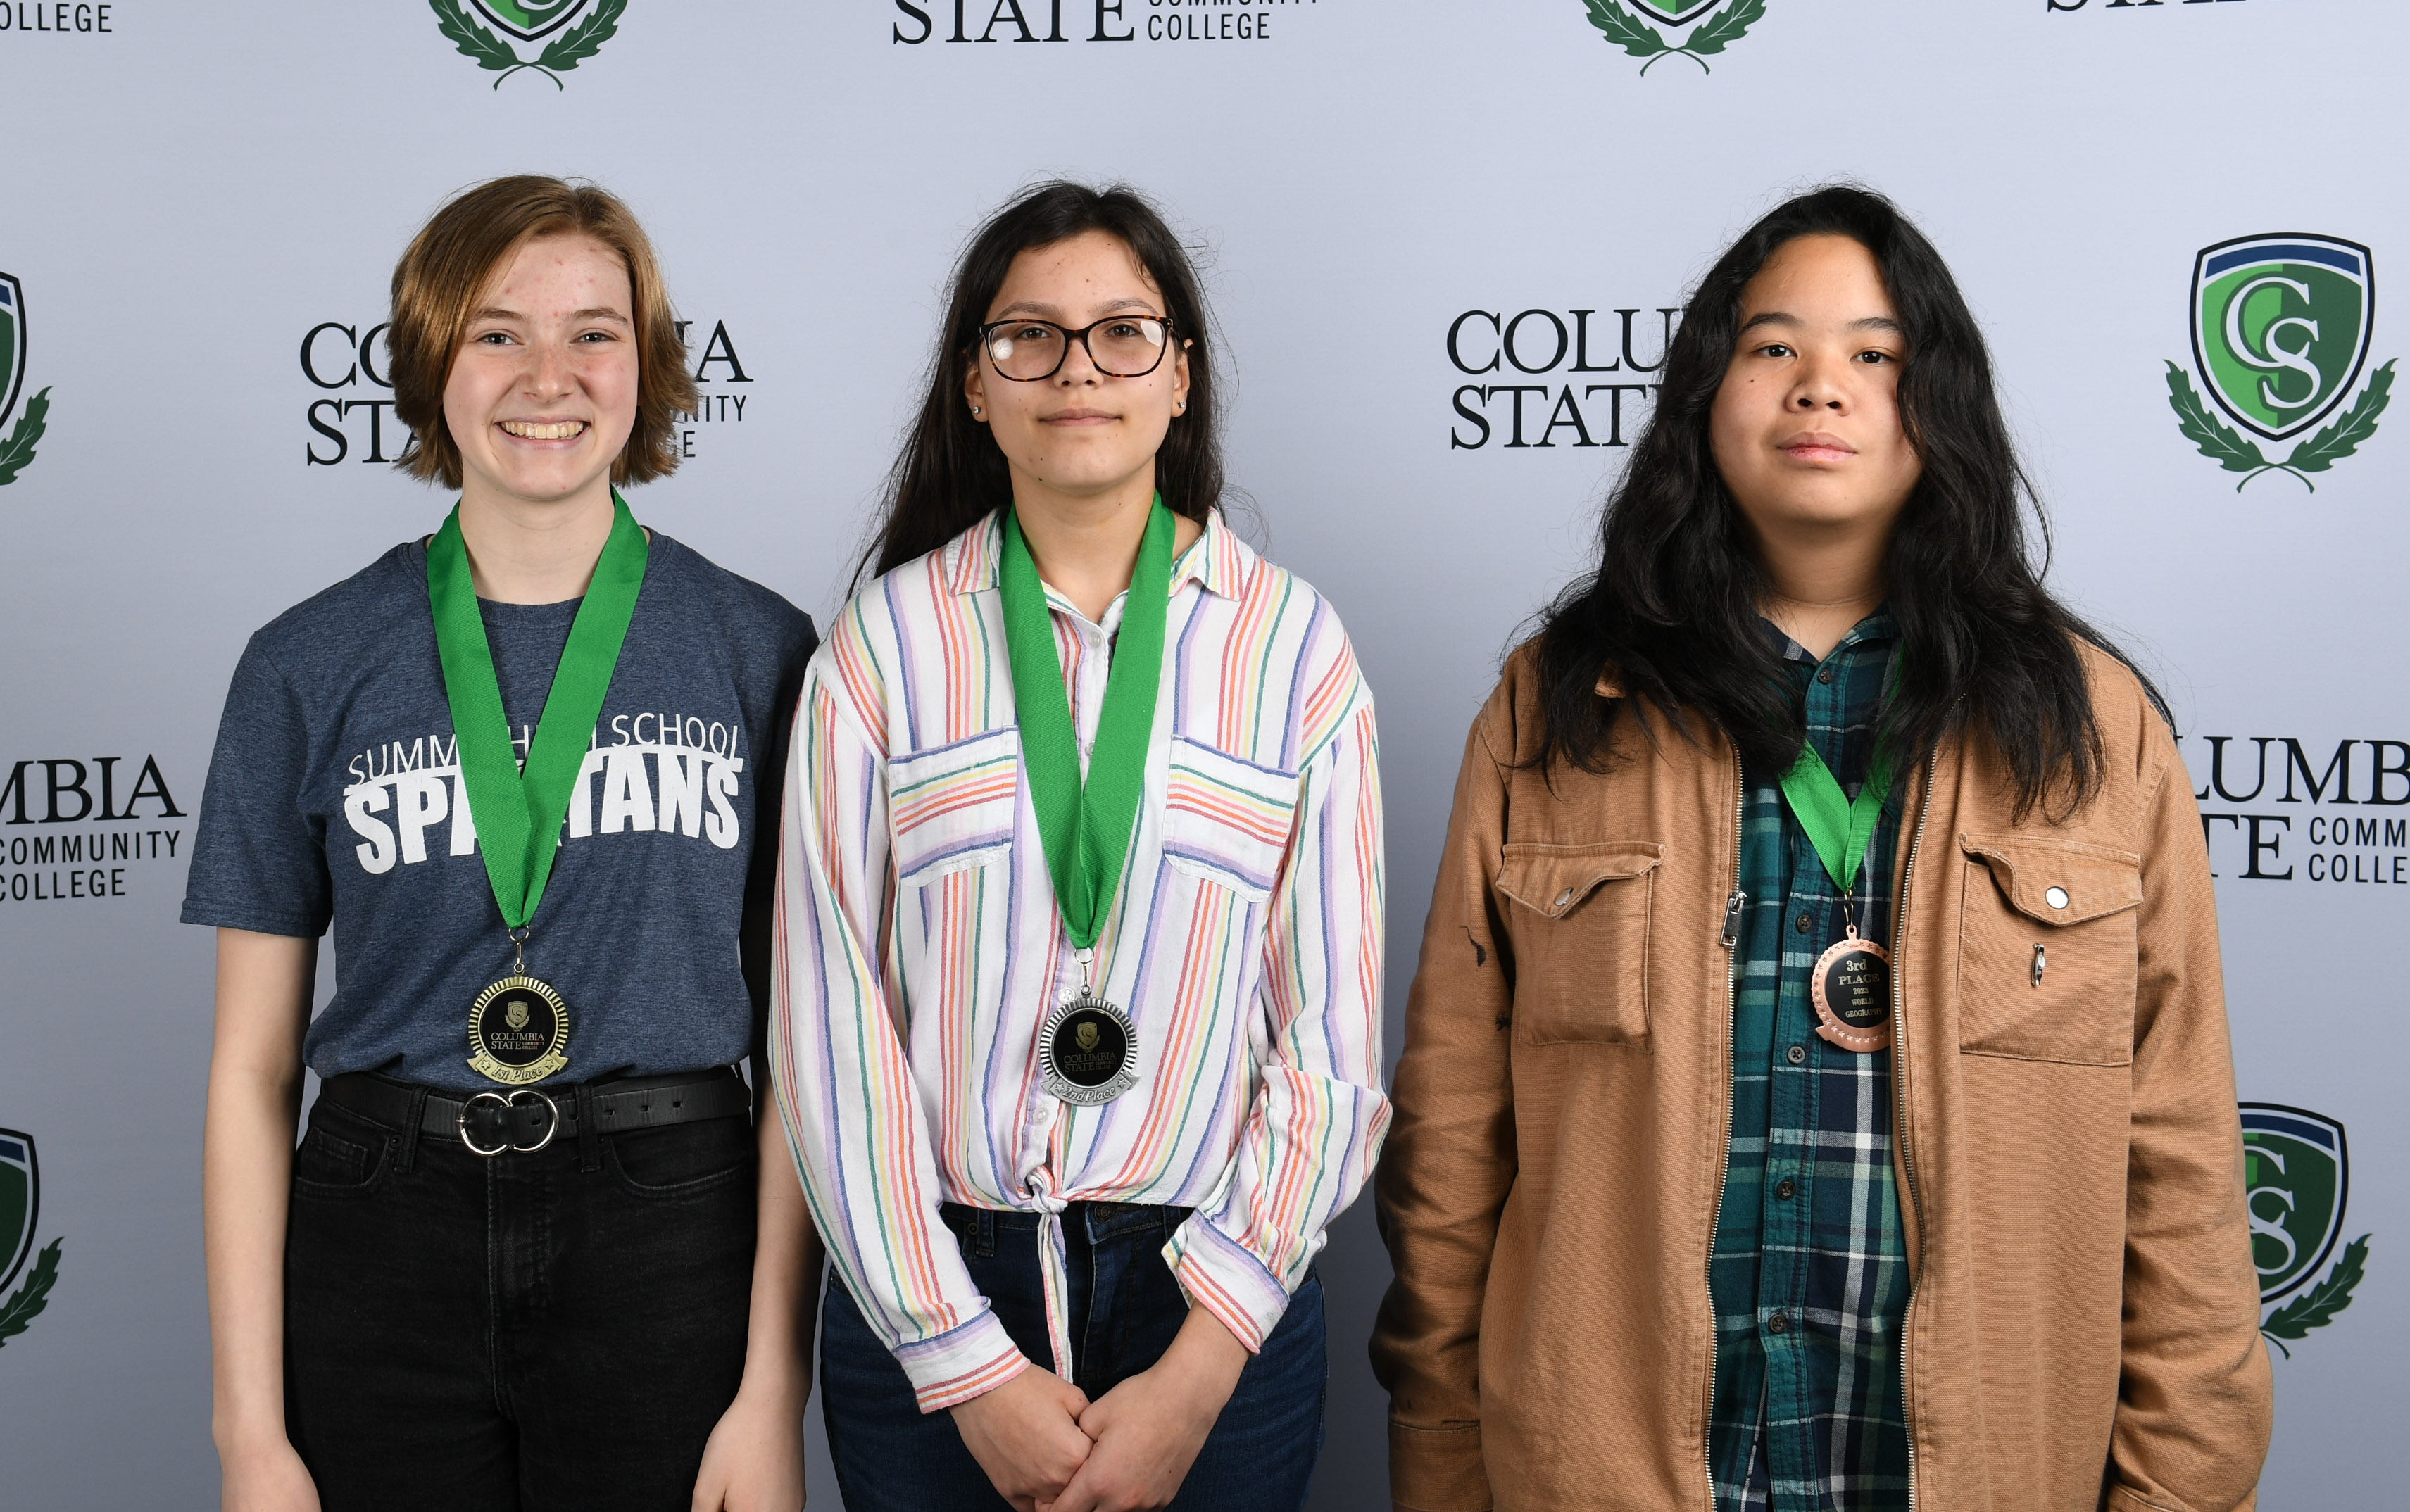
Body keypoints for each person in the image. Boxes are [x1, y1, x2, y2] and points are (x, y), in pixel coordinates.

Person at [1369, 185, 2273, 1512]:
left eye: (1876, 356)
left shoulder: (2092, 726)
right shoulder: (1557, 705)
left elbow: (2183, 1168)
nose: (1820, 390)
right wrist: (1445, 1471)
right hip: (1606, 1473)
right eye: (1772, 348)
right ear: (1704, 397)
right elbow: (1454, 1141)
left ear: (1939, 407)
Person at [189, 175, 822, 1512]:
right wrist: (250, 1435)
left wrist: (774, 1393)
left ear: (648, 369)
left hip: (670, 1223)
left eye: (595, 331)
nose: (550, 375)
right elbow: (250, 1074)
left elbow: (805, 1060)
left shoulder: (761, 652)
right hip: (383, 1223)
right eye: (497, 332)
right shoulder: (304, 664)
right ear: (430, 364)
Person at [772, 181, 1386, 1512]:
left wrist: (1203, 1364)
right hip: (932, 1280)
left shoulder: (1294, 652)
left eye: (1122, 333)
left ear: (1181, 379)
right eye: (1028, 338)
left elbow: (1330, 1051)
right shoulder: (882, 649)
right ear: (975, 387)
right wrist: (960, 1359)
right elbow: (831, 1027)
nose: (1076, 370)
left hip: (1217, 1286)